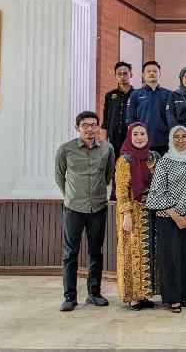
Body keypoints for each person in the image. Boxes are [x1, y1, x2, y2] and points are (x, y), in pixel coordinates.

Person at [55, 111, 116, 312]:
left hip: (98, 207)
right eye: (85, 125)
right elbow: (59, 177)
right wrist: (70, 195)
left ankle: (94, 293)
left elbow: (108, 175)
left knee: (95, 252)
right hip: (73, 208)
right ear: (77, 128)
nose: (90, 129)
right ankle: (69, 297)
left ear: (98, 127)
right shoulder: (66, 150)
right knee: (70, 253)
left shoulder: (107, 149)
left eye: (93, 125)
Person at [145, 125, 186, 313]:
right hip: (168, 217)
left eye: (184, 136)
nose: (181, 140)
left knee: (185, 257)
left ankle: (183, 296)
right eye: (177, 137)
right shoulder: (165, 162)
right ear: (170, 139)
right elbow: (157, 192)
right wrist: (175, 215)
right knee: (170, 258)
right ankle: (172, 298)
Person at [114, 122, 160, 310]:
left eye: (143, 133)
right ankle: (134, 296)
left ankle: (146, 295)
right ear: (130, 137)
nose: (140, 137)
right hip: (132, 211)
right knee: (132, 252)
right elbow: (121, 190)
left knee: (149, 252)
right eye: (136, 134)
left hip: (151, 211)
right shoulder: (125, 160)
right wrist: (126, 214)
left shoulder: (154, 157)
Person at [126, 61, 172, 156]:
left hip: (163, 142)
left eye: (155, 71)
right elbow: (131, 119)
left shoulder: (168, 94)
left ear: (159, 74)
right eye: (148, 71)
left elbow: (171, 119)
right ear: (143, 75)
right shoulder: (135, 94)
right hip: (142, 141)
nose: (152, 73)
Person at [101, 61, 134, 165]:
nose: (122, 76)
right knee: (114, 168)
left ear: (131, 74)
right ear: (115, 76)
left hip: (131, 138)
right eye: (119, 73)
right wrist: (104, 141)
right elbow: (106, 120)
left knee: (130, 167)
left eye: (125, 73)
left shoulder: (137, 95)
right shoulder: (110, 96)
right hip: (114, 138)